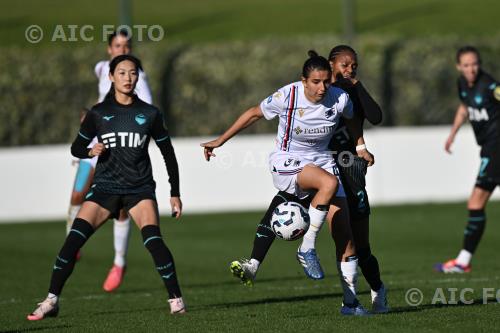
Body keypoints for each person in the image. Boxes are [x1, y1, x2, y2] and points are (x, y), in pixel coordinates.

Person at [202, 51, 369, 315]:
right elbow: (254, 113)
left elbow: (352, 118)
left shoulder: (339, 98)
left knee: (346, 238)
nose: (321, 87)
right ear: (303, 81)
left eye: (325, 81)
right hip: (288, 161)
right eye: (315, 82)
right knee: (327, 183)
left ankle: (350, 303)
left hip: (323, 161)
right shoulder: (288, 95)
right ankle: (307, 248)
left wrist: (360, 146)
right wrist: (220, 140)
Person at [27, 54, 185, 321]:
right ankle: (51, 300)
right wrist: (89, 150)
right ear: (111, 77)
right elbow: (76, 147)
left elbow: (168, 153)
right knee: (72, 242)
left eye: (133, 73)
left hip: (139, 189)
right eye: (122, 73)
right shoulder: (97, 113)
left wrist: (175, 193)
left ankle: (176, 300)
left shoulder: (150, 113)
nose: (128, 78)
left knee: (154, 241)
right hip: (104, 189)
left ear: (138, 77)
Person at [66, 29, 153, 292]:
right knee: (77, 195)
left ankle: (119, 262)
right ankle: (73, 242)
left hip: (120, 151)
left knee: (121, 207)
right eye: (118, 45)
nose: (123, 50)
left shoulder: (139, 77)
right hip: (95, 146)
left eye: (127, 46)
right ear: (109, 49)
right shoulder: (102, 68)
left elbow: (147, 111)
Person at [435, 46, 500, 273]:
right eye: (466, 65)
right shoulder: (463, 84)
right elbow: (464, 107)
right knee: (475, 203)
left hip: (496, 150)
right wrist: (452, 134)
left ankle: (463, 262)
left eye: (475, 64)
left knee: (475, 202)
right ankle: (463, 261)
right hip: (489, 149)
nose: (471, 69)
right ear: (459, 67)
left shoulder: (491, 86)